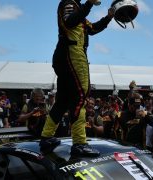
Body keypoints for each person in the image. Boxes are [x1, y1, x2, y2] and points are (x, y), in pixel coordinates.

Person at [39, 0, 114, 157]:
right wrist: (89, 4)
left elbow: (92, 28)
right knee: (79, 97)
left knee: (62, 101)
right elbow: (70, 21)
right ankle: (79, 143)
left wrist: (109, 17)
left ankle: (46, 137)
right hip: (72, 55)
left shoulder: (77, 7)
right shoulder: (70, 2)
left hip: (66, 55)